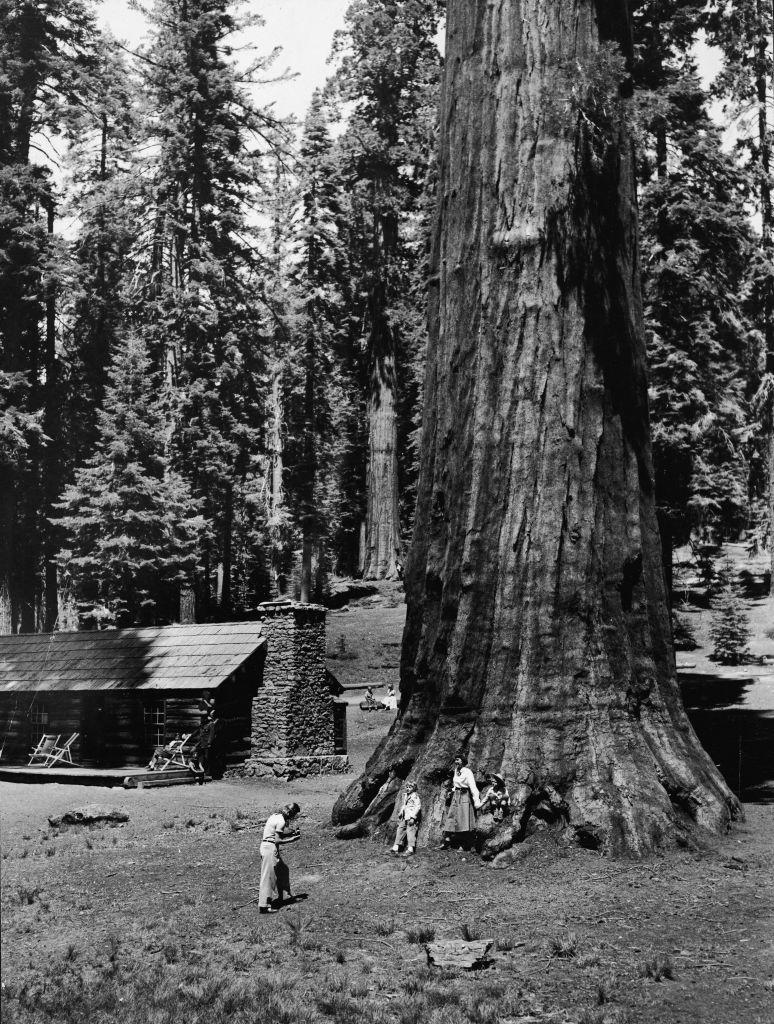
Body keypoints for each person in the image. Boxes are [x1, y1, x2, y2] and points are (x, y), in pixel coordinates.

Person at [258, 802, 301, 914]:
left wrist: (291, 833)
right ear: (291, 813)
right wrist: (292, 839)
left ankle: (284, 897)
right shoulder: (281, 821)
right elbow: (277, 840)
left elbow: (276, 834)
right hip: (270, 848)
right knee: (268, 878)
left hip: (267, 846)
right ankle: (264, 906)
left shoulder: (275, 816)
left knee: (283, 870)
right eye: (294, 814)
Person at [438, 754, 480, 849]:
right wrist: (451, 791)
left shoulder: (467, 772)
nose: (456, 762)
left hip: (464, 796)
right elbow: (455, 785)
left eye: (458, 760)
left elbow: (472, 786)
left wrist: (476, 801)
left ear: (463, 761)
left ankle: (463, 844)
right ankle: (447, 841)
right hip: (456, 796)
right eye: (455, 760)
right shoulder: (456, 771)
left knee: (463, 819)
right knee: (451, 817)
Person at [391, 782, 421, 856]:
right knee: (400, 830)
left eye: (410, 787)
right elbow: (404, 805)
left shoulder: (415, 796)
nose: (408, 788)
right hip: (405, 817)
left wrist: (413, 817)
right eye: (407, 787)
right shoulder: (405, 795)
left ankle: (410, 849)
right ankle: (396, 847)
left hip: (411, 817)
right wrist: (401, 812)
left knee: (410, 832)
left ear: (414, 788)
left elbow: (418, 807)